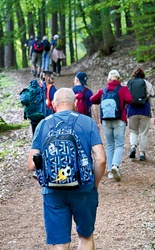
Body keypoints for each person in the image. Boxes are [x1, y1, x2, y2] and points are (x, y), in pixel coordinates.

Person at [27, 88, 106, 250]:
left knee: (60, 242)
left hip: (53, 191)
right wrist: (94, 185)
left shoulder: (43, 124)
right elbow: (101, 159)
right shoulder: (87, 122)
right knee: (85, 236)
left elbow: (31, 165)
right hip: (83, 189)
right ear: (75, 104)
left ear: (54, 105)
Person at [90, 69, 132, 181]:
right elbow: (130, 99)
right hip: (119, 120)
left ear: (108, 79)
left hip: (106, 121)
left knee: (109, 145)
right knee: (118, 144)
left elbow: (92, 99)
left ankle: (109, 171)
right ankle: (115, 165)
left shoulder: (103, 90)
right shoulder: (123, 89)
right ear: (119, 79)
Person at [126, 67, 155, 161]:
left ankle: (133, 147)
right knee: (143, 133)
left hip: (132, 110)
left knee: (133, 131)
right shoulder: (147, 84)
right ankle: (141, 153)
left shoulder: (129, 83)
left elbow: (126, 99)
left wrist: (124, 111)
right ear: (143, 75)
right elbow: (152, 101)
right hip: (144, 110)